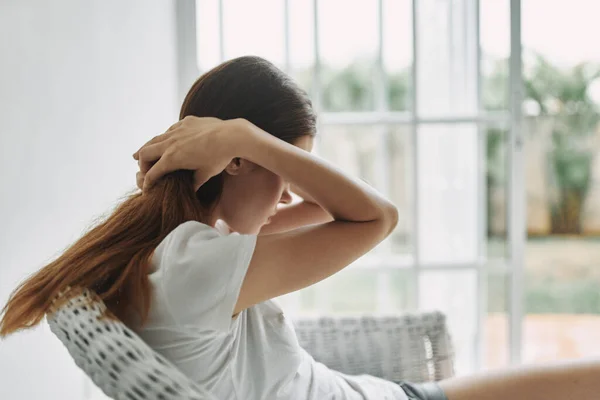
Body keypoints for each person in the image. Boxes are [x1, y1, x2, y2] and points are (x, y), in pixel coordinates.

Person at [1, 56, 599, 400]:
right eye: (280, 165)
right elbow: (377, 216)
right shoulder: (198, 263)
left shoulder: (179, 248)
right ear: (235, 158)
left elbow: (322, 208)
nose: (288, 192)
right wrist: (244, 137)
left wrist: (255, 148)